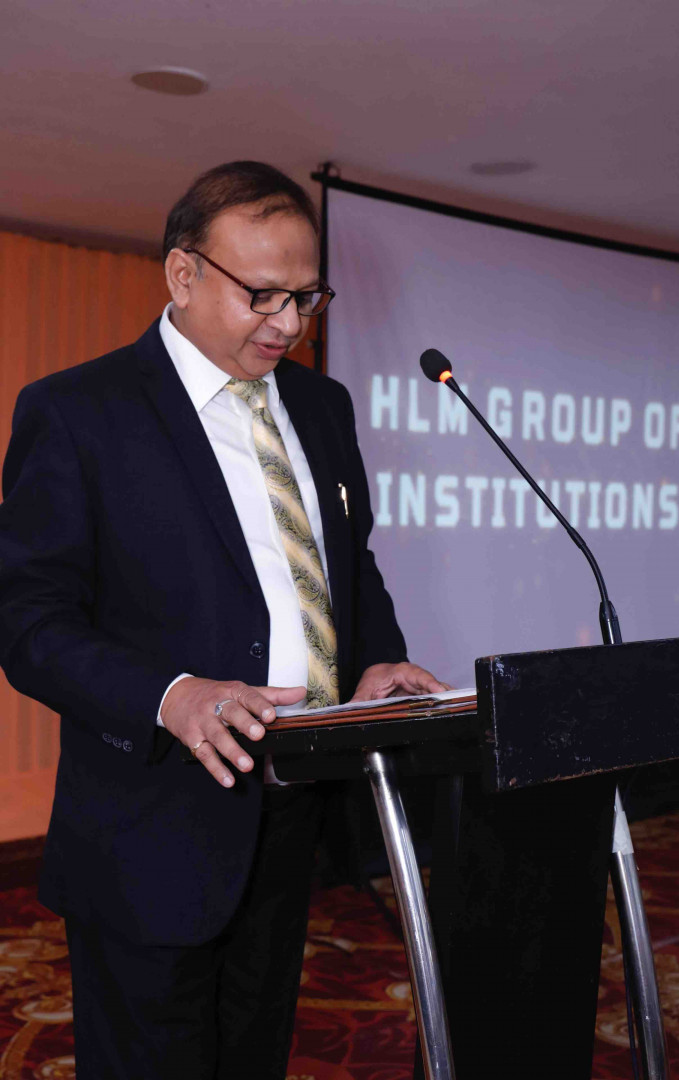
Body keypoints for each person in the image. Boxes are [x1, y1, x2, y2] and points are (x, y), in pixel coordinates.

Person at [0, 161, 446, 1080]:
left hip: (290, 812)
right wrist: (170, 696)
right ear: (183, 274)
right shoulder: (78, 413)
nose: (287, 323)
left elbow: (347, 564)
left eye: (306, 297)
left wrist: (377, 660)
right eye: (262, 294)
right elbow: (26, 620)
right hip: (149, 828)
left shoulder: (322, 406)